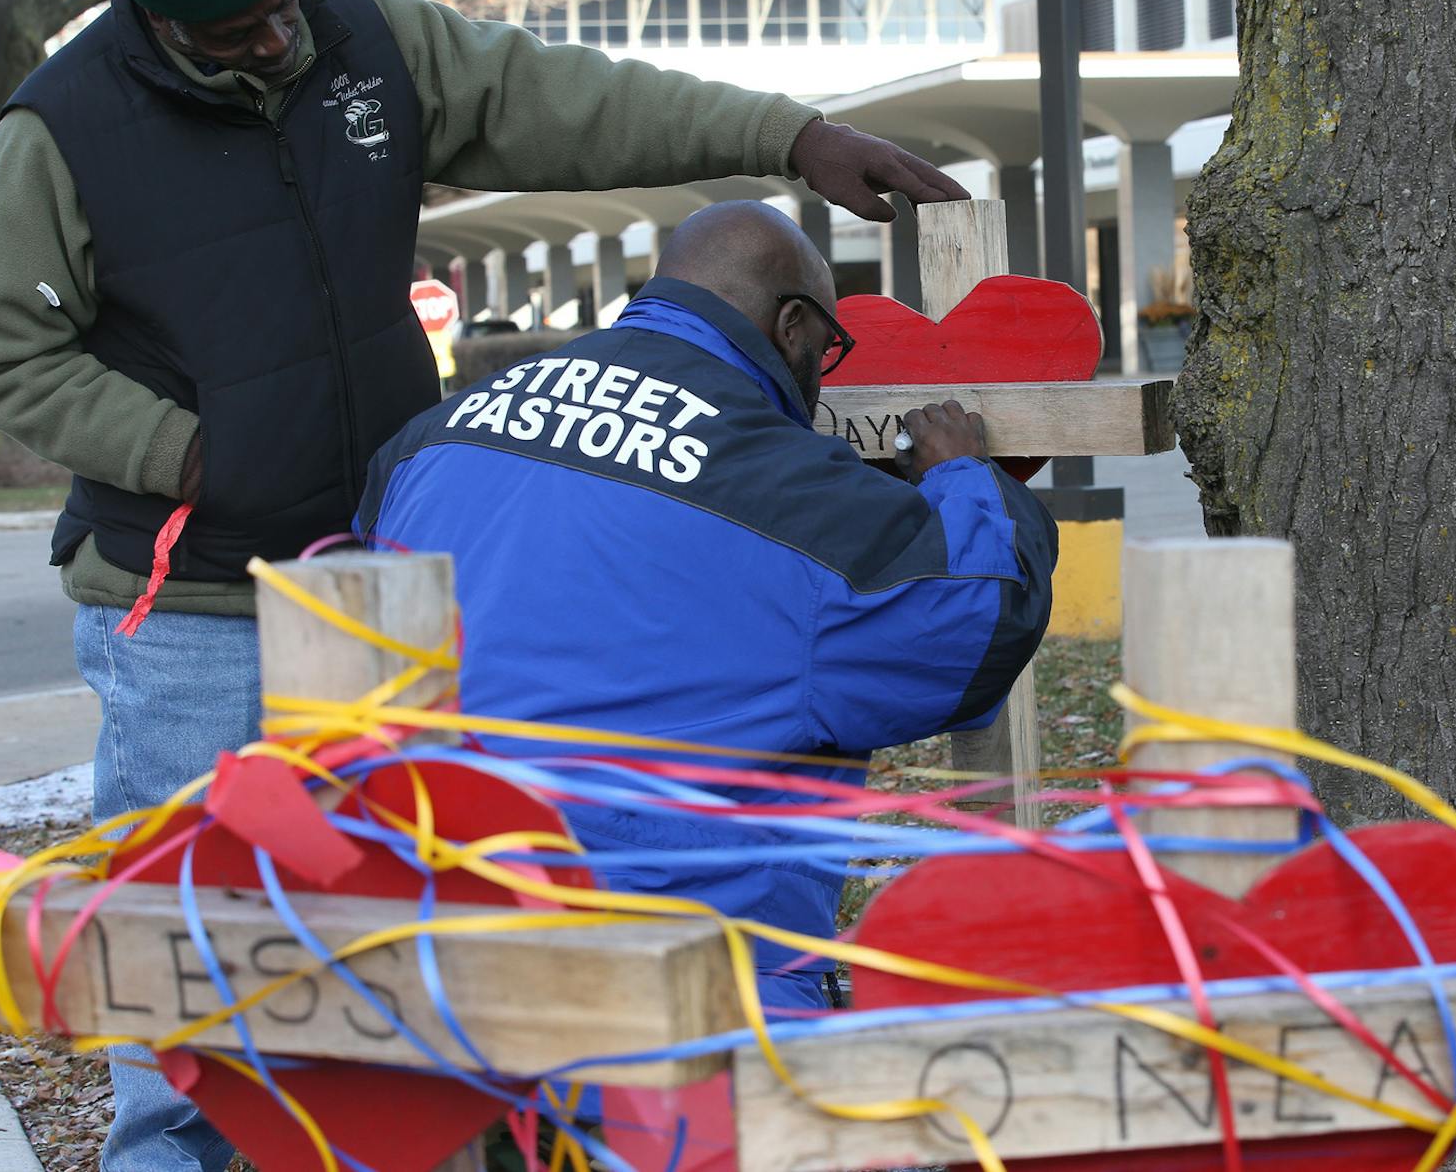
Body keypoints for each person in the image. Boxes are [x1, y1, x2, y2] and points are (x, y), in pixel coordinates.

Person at [0, 0, 964, 1169]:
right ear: (156, 15)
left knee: (423, 962)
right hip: (199, 616)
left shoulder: (367, 44)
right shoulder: (59, 129)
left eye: (283, 2)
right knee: (189, 983)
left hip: (397, 602)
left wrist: (790, 136)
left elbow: (578, 101)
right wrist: (199, 459)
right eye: (237, 28)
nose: (276, 34)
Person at [357, 201, 1057, 1006]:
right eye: (827, 347)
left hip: (430, 948)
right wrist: (963, 475)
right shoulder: (800, 498)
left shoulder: (433, 438)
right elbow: (972, 626)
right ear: (793, 324)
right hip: (685, 984)